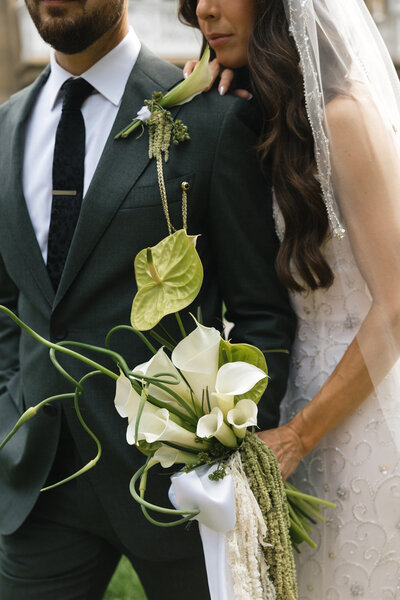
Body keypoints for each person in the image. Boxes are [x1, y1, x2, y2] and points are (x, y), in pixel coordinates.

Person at [0, 0, 295, 599]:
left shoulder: (209, 117)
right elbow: (11, 296)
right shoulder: (5, 127)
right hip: (39, 482)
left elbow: (262, 313)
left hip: (175, 489)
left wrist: (226, 455)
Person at [179, 0, 400, 598]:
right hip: (284, 408)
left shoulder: (345, 117)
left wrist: (302, 433)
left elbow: (397, 308)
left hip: (360, 421)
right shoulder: (263, 117)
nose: (203, 8)